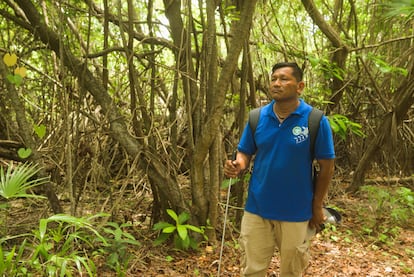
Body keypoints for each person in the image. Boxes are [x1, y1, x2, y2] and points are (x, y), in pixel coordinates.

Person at [223, 62, 335, 277]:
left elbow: (327, 166)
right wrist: (238, 165)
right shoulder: (257, 117)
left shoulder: (315, 120)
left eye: (284, 79)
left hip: (297, 211)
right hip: (257, 209)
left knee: (292, 271)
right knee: (252, 270)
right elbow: (245, 151)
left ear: (299, 86)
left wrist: (317, 205)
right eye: (274, 78)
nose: (276, 83)